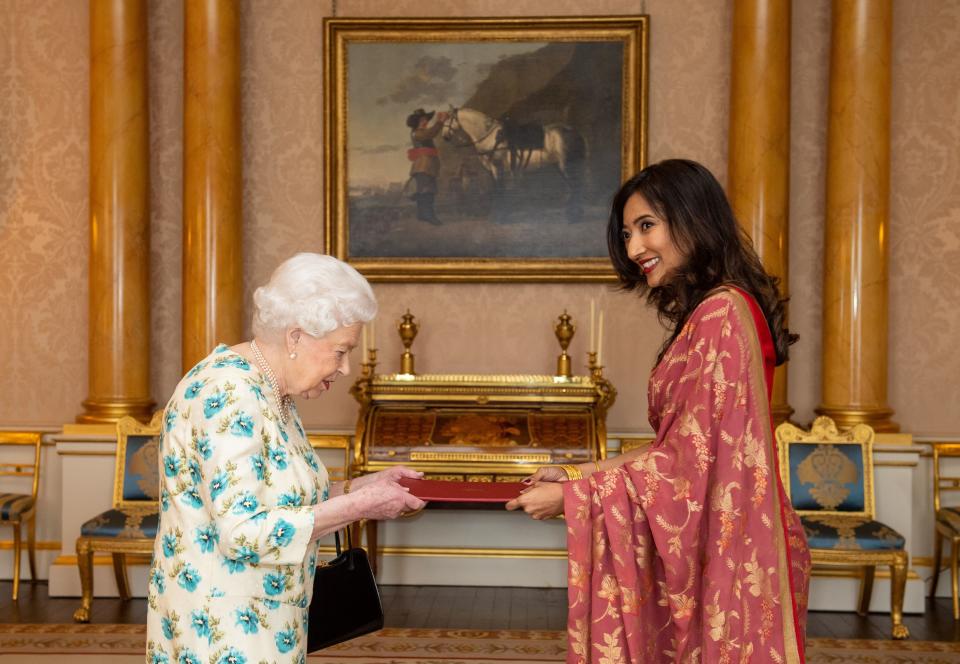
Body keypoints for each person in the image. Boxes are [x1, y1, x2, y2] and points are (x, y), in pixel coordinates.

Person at [506, 159, 811, 663]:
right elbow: (682, 448)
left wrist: (574, 495)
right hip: (729, 540)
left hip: (732, 553)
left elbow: (689, 466)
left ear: (695, 217)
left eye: (647, 226)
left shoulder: (721, 313)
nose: (633, 249)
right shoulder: (716, 310)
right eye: (627, 233)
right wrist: (576, 472)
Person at [146, 253, 425, 664]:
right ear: (296, 337)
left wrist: (363, 487)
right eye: (340, 351)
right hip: (221, 631)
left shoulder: (272, 390)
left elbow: (279, 497)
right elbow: (242, 532)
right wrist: (361, 506)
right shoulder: (230, 394)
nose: (346, 367)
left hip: (266, 618)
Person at [406, 107, 448, 224]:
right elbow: (431, 133)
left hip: (427, 165)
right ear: (417, 122)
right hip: (423, 166)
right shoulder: (418, 133)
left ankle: (422, 215)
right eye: (423, 119)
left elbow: (430, 132)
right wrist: (441, 121)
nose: (426, 121)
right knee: (427, 191)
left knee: (424, 191)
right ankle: (429, 216)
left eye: (426, 119)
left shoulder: (420, 132)